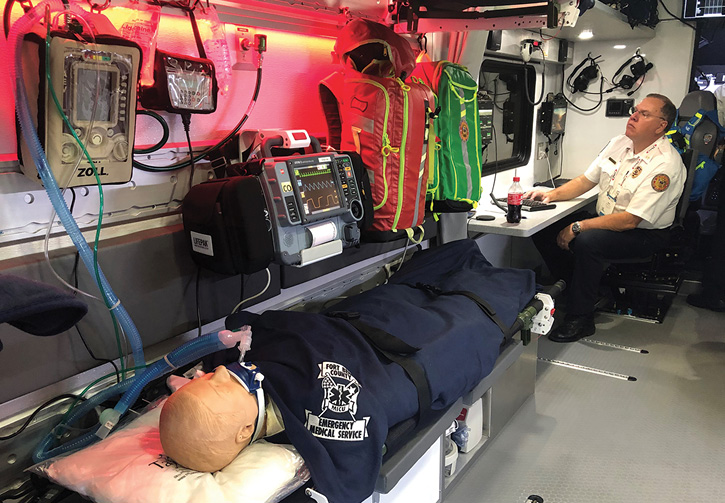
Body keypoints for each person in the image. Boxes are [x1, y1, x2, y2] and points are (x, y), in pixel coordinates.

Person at [157, 239, 536, 503]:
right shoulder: (322, 417)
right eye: (217, 386)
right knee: (483, 295)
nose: (218, 376)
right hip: (415, 340)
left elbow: (246, 328)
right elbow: (350, 473)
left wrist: (208, 368)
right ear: (244, 432)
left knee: (448, 258)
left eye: (206, 380)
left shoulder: (249, 371)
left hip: (368, 319)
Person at [524, 93, 685, 342]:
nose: (633, 116)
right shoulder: (619, 143)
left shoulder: (665, 165)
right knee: (544, 227)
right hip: (608, 220)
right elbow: (585, 181)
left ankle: (581, 318)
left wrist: (578, 227)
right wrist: (549, 195)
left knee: (589, 242)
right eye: (636, 109)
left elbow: (630, 220)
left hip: (643, 234)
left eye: (644, 114)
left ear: (661, 126)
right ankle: (579, 290)